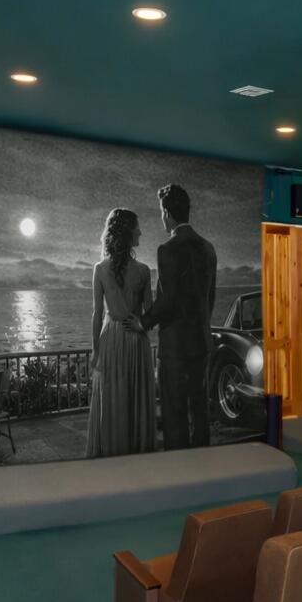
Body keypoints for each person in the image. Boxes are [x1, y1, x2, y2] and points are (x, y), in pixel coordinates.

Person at [128, 184, 217, 450]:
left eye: (161, 212)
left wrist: (142, 322)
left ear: (167, 213)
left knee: (175, 415)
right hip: (201, 344)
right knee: (200, 412)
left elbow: (166, 300)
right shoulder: (209, 249)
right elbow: (209, 298)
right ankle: (204, 468)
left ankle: (179, 471)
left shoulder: (167, 250)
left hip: (175, 349)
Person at [85, 208, 156, 457]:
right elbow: (150, 313)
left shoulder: (100, 269)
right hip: (136, 340)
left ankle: (112, 455)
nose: (141, 232)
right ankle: (136, 456)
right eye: (137, 227)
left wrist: (95, 351)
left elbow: (96, 314)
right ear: (128, 232)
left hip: (112, 339)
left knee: (113, 400)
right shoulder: (145, 271)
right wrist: (142, 325)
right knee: (134, 400)